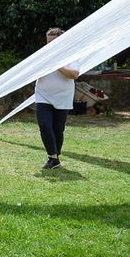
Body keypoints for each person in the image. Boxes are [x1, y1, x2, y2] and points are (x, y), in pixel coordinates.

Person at [35, 27, 80, 169]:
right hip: (43, 95)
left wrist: (57, 65)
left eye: (53, 42)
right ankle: (52, 157)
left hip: (63, 97)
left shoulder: (71, 55)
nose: (49, 45)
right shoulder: (41, 55)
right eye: (48, 42)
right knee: (44, 125)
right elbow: (33, 74)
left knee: (58, 129)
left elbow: (74, 74)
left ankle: (56, 156)